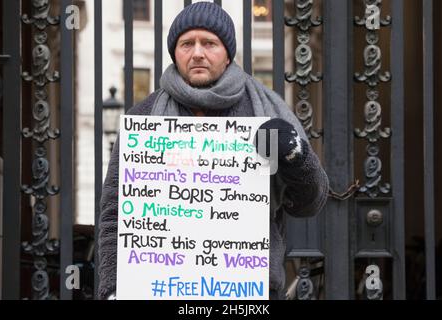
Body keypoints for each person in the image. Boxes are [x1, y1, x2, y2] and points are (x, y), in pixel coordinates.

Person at [98, 1, 329, 300]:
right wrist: (113, 288)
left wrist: (296, 156)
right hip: (161, 288)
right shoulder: (142, 117)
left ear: (228, 52)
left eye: (209, 43)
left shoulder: (267, 112)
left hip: (248, 292)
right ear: (174, 52)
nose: (197, 53)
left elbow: (311, 201)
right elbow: (114, 213)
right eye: (186, 44)